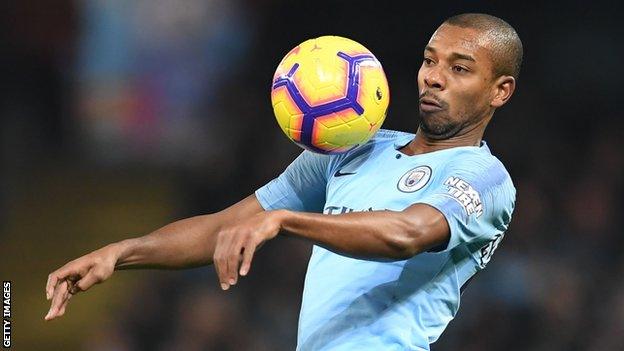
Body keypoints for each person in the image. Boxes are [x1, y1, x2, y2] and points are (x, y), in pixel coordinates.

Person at [45, 13, 522, 350]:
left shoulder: (482, 177)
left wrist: (285, 222)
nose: (433, 78)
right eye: (429, 60)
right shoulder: (355, 147)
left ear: (501, 90)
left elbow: (407, 233)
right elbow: (225, 227)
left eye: (459, 68)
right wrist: (121, 253)